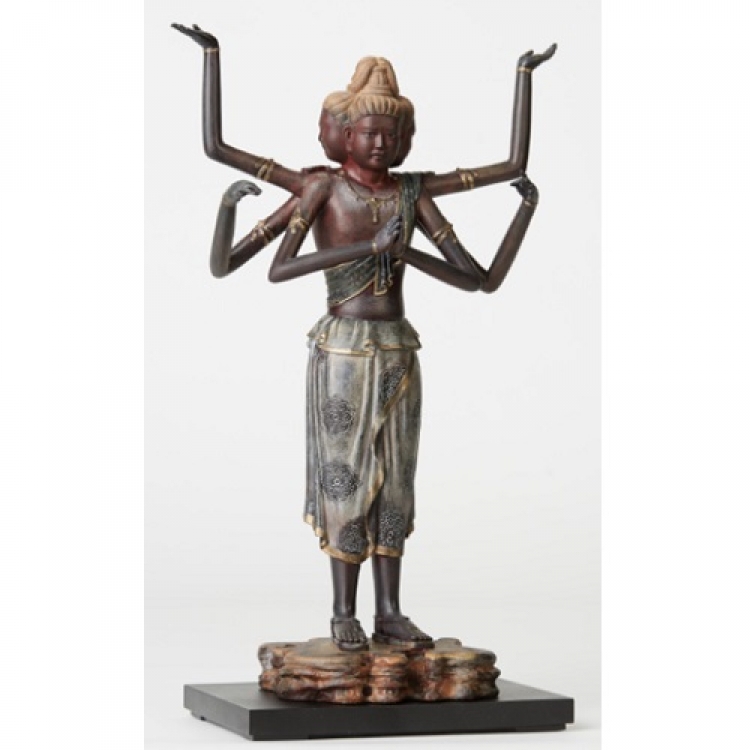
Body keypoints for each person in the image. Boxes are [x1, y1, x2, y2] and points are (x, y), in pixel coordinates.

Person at [173, 26, 556, 651]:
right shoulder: (322, 187)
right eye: (369, 132)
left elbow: (482, 274)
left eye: (392, 134)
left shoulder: (410, 193)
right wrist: (213, 61)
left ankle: (391, 612)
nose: (381, 144)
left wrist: (524, 85)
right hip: (344, 351)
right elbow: (255, 254)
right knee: (345, 478)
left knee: (395, 480)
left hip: (398, 349)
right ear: (342, 134)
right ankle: (342, 610)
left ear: (406, 139)